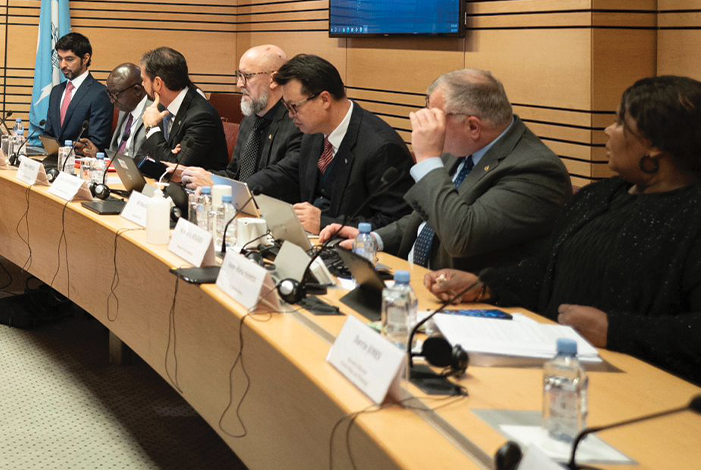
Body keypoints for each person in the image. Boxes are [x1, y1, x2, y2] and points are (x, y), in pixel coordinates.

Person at [426, 75, 701, 385]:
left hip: (643, 385)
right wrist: (486, 285)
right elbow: (549, 267)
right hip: (560, 366)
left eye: (621, 124)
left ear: (655, 148)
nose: (608, 130)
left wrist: (616, 330)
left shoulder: (691, 218)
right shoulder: (600, 196)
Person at [322, 69, 570, 270]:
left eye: (436, 118)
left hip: (470, 303)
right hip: (409, 281)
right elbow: (429, 218)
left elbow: (462, 236)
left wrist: (428, 159)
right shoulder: (462, 148)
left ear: (473, 127)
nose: (431, 128)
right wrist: (373, 239)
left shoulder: (536, 171)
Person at [274, 53, 413, 235]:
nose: (290, 115)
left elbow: (396, 223)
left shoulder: (382, 148)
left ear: (324, 100)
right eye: (287, 107)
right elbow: (290, 178)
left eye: (294, 107)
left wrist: (324, 223)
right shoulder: (313, 133)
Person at [177, 44, 302, 201]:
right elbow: (234, 174)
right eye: (239, 75)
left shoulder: (297, 123)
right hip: (239, 206)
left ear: (274, 79)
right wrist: (193, 175)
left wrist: (216, 183)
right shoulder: (249, 121)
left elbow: (278, 180)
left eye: (247, 76)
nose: (239, 84)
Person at [138, 46, 228, 169]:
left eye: (144, 80)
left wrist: (151, 128)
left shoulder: (201, 116)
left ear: (158, 83)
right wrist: (167, 153)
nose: (142, 84)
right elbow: (141, 158)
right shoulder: (161, 107)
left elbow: (175, 169)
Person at [38, 32, 112, 150]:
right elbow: (49, 133)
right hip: (54, 158)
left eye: (69, 59)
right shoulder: (56, 91)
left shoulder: (100, 93)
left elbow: (97, 143)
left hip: (79, 160)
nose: (62, 65)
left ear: (85, 59)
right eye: (60, 59)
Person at [75, 62, 153, 160]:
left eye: (115, 95)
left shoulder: (155, 114)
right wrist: (97, 155)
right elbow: (117, 154)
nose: (112, 101)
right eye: (109, 94)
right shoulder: (124, 110)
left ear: (137, 90)